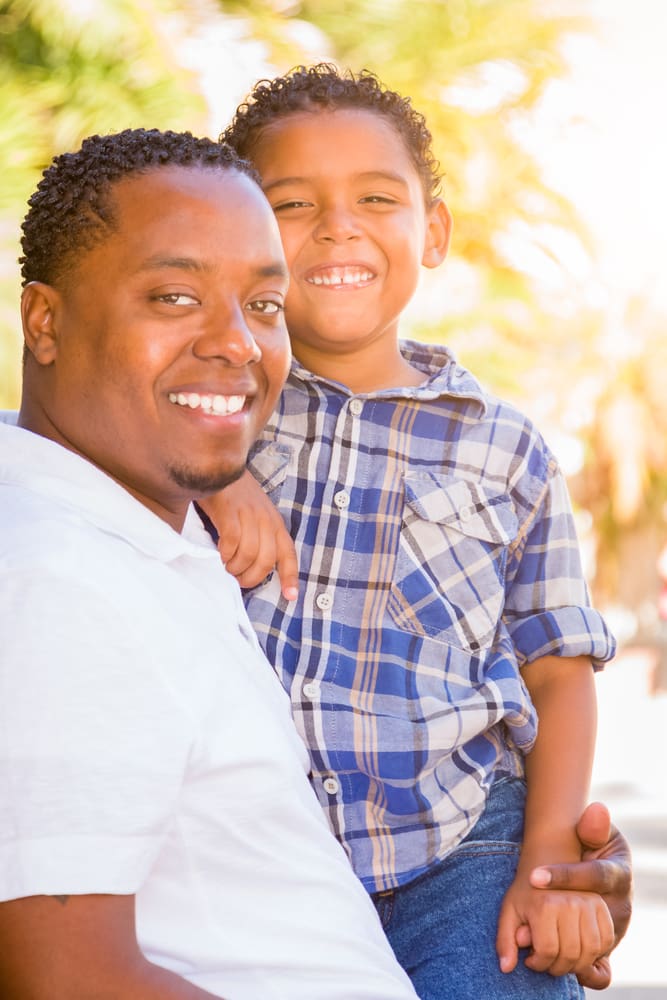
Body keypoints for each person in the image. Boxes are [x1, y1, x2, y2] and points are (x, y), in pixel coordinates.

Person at [200, 65, 628, 998]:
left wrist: (548, 865)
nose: (337, 225)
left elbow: (558, 669)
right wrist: (216, 477)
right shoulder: (209, 411)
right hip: (253, 855)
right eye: (292, 203)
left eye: (376, 198)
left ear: (430, 232)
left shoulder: (504, 445)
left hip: (461, 848)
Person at [0, 128, 422, 1000]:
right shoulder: (64, 581)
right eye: (173, 296)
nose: (237, 343)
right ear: (45, 321)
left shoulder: (135, 530)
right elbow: (67, 979)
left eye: (263, 306)